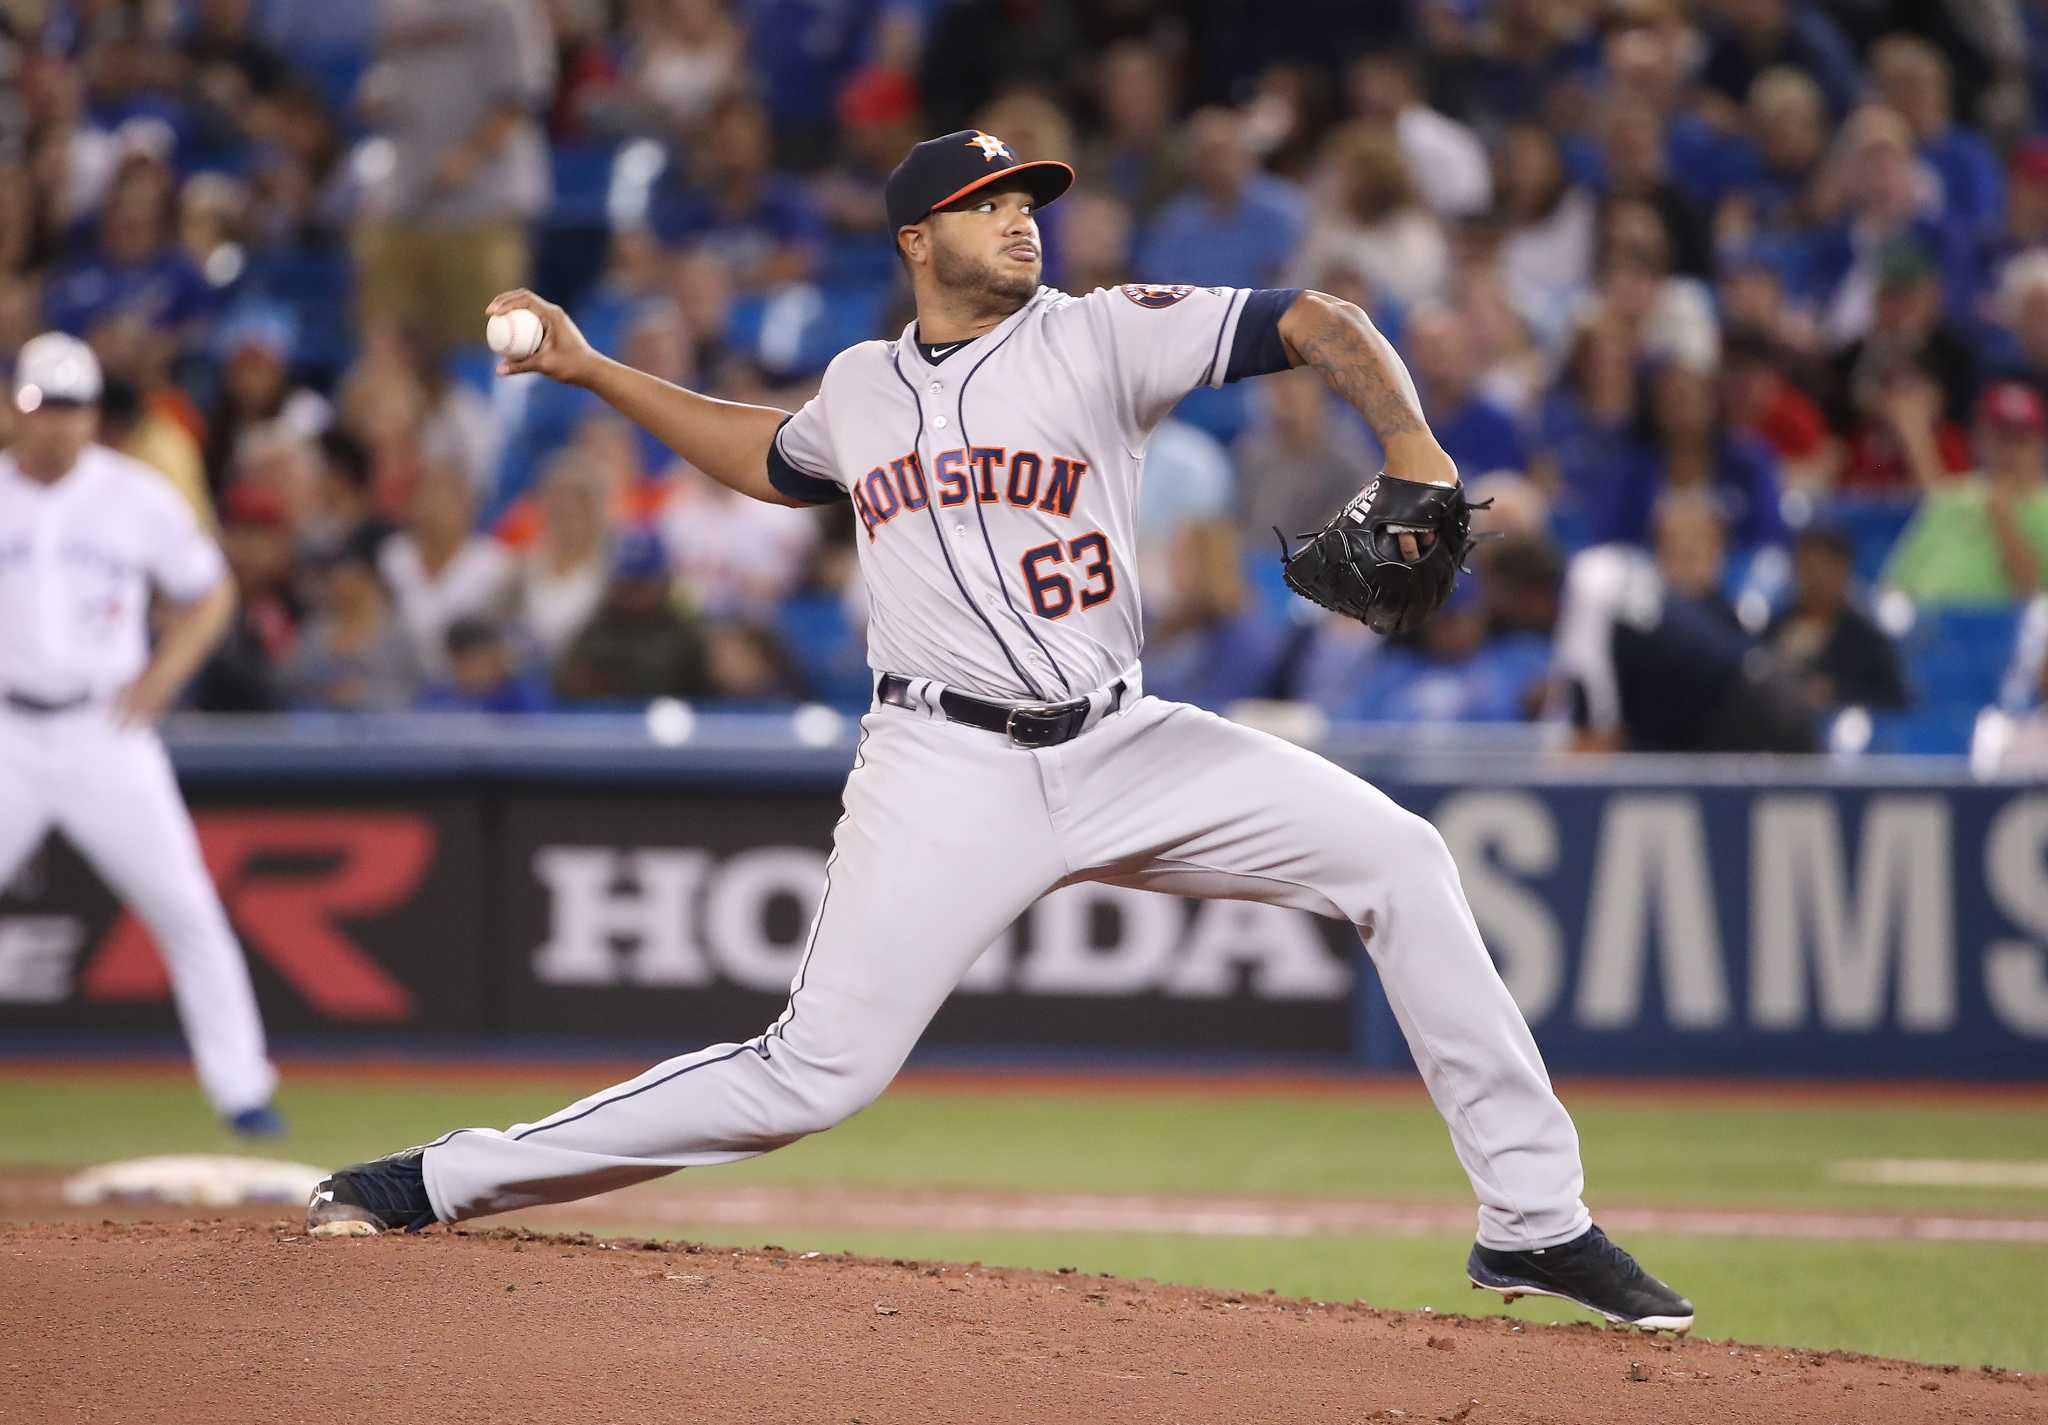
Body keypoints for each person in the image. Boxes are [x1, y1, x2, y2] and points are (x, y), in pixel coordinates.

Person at [308, 126, 1692, 1336]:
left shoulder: (1100, 334)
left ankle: (1532, 1216)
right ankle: (436, 1181)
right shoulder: (859, 388)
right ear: (919, 238)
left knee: (1401, 861)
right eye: (989, 202)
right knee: (811, 1075)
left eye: (1031, 197)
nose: (1022, 216)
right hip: (941, 764)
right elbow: (765, 456)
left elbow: (1322, 320)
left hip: (1124, 742)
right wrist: (593, 367)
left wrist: (1419, 453)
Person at [0, 332, 281, 1133]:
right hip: (9, 731)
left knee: (187, 909)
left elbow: (210, 592)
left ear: (94, 414)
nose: (54, 423)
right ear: (15, 409)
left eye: (71, 407)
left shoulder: (135, 496)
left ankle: (243, 1090)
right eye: (39, 405)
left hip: (104, 730)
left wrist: (164, 674)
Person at [1884, 381, 2048, 606]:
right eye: (2000, 439)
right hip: (1923, 623)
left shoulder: (2044, 506)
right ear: (1982, 439)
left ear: (2038, 444)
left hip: (1991, 630)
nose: (2008, 452)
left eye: (2020, 441)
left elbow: (2033, 595)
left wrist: (2003, 522)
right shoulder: (1954, 494)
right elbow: (1899, 579)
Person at [1766, 525, 1910, 715]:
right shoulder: (1776, 627)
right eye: (1806, 567)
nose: (1814, 579)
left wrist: (1837, 694)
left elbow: (1897, 699)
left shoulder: (1866, 640)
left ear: (1843, 569)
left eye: (1822, 568)